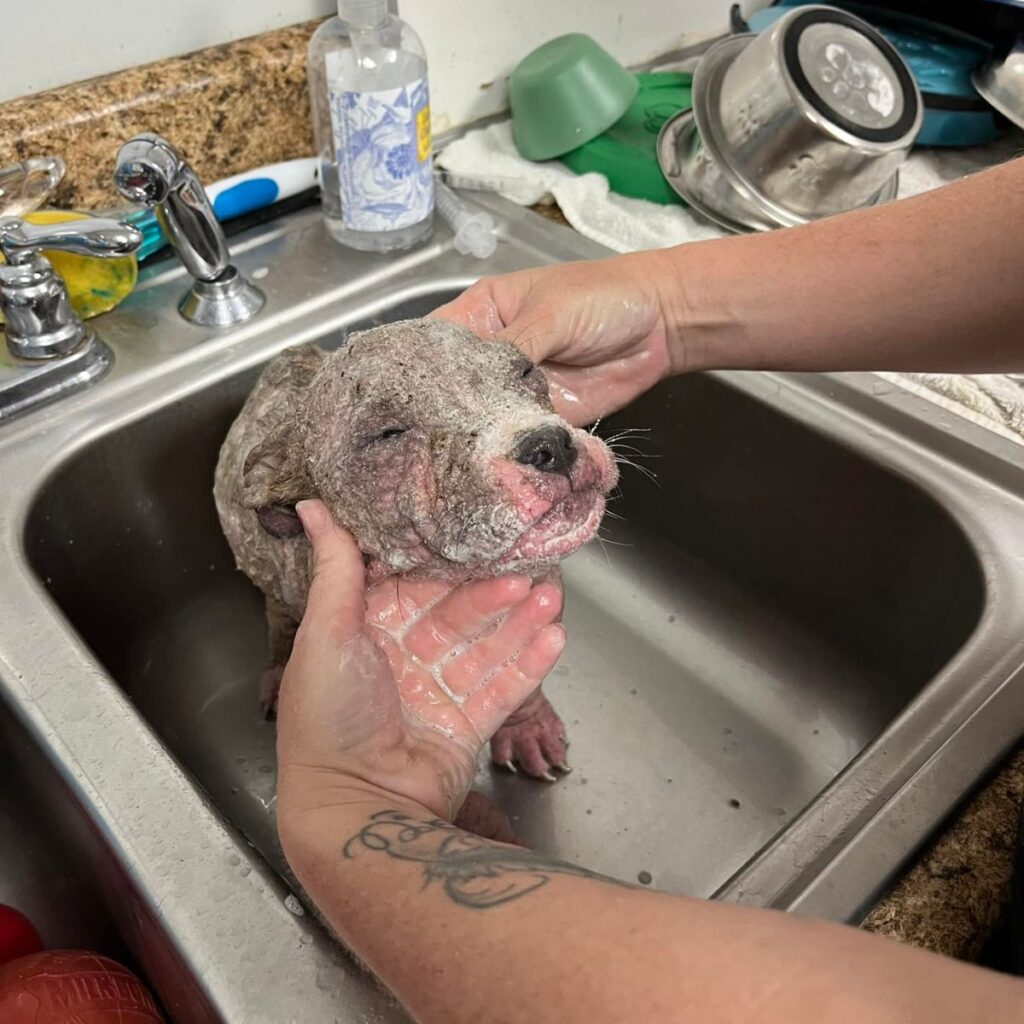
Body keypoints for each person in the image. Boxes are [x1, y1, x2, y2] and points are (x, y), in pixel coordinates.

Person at [275, 158, 1024, 1023]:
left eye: (514, 380)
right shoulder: (287, 512)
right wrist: (662, 308)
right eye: (395, 434)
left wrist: (346, 810)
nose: (538, 433)